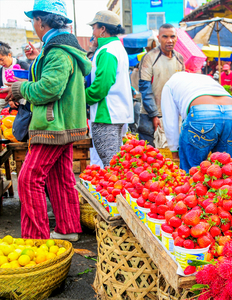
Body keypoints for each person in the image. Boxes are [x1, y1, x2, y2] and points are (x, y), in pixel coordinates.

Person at [5, 0, 91, 240]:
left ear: (41, 21)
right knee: (60, 177)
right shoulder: (60, 47)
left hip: (53, 125)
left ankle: (36, 239)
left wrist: (22, 88)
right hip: (65, 122)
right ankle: (68, 228)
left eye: (34, 20)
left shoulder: (57, 51)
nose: (34, 24)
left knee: (29, 178)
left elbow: (49, 89)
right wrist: (36, 61)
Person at [161, 72, 232, 172]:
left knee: (193, 173)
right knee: (228, 171)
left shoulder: (169, 85)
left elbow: (170, 121)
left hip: (203, 113)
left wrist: (174, 149)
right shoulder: (205, 78)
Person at [85, 11, 133, 167]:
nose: (93, 32)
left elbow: (101, 86)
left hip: (106, 115)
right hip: (115, 114)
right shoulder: (116, 47)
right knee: (115, 165)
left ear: (102, 29)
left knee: (111, 166)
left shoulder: (107, 51)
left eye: (94, 28)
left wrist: (81, 98)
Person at [138, 23, 184, 145]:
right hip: (150, 116)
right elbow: (145, 88)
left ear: (176, 38)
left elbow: (181, 88)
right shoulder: (149, 57)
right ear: (158, 38)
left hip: (172, 115)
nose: (169, 40)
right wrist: (154, 115)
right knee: (150, 156)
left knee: (172, 155)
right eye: (165, 37)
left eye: (172, 36)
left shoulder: (180, 59)